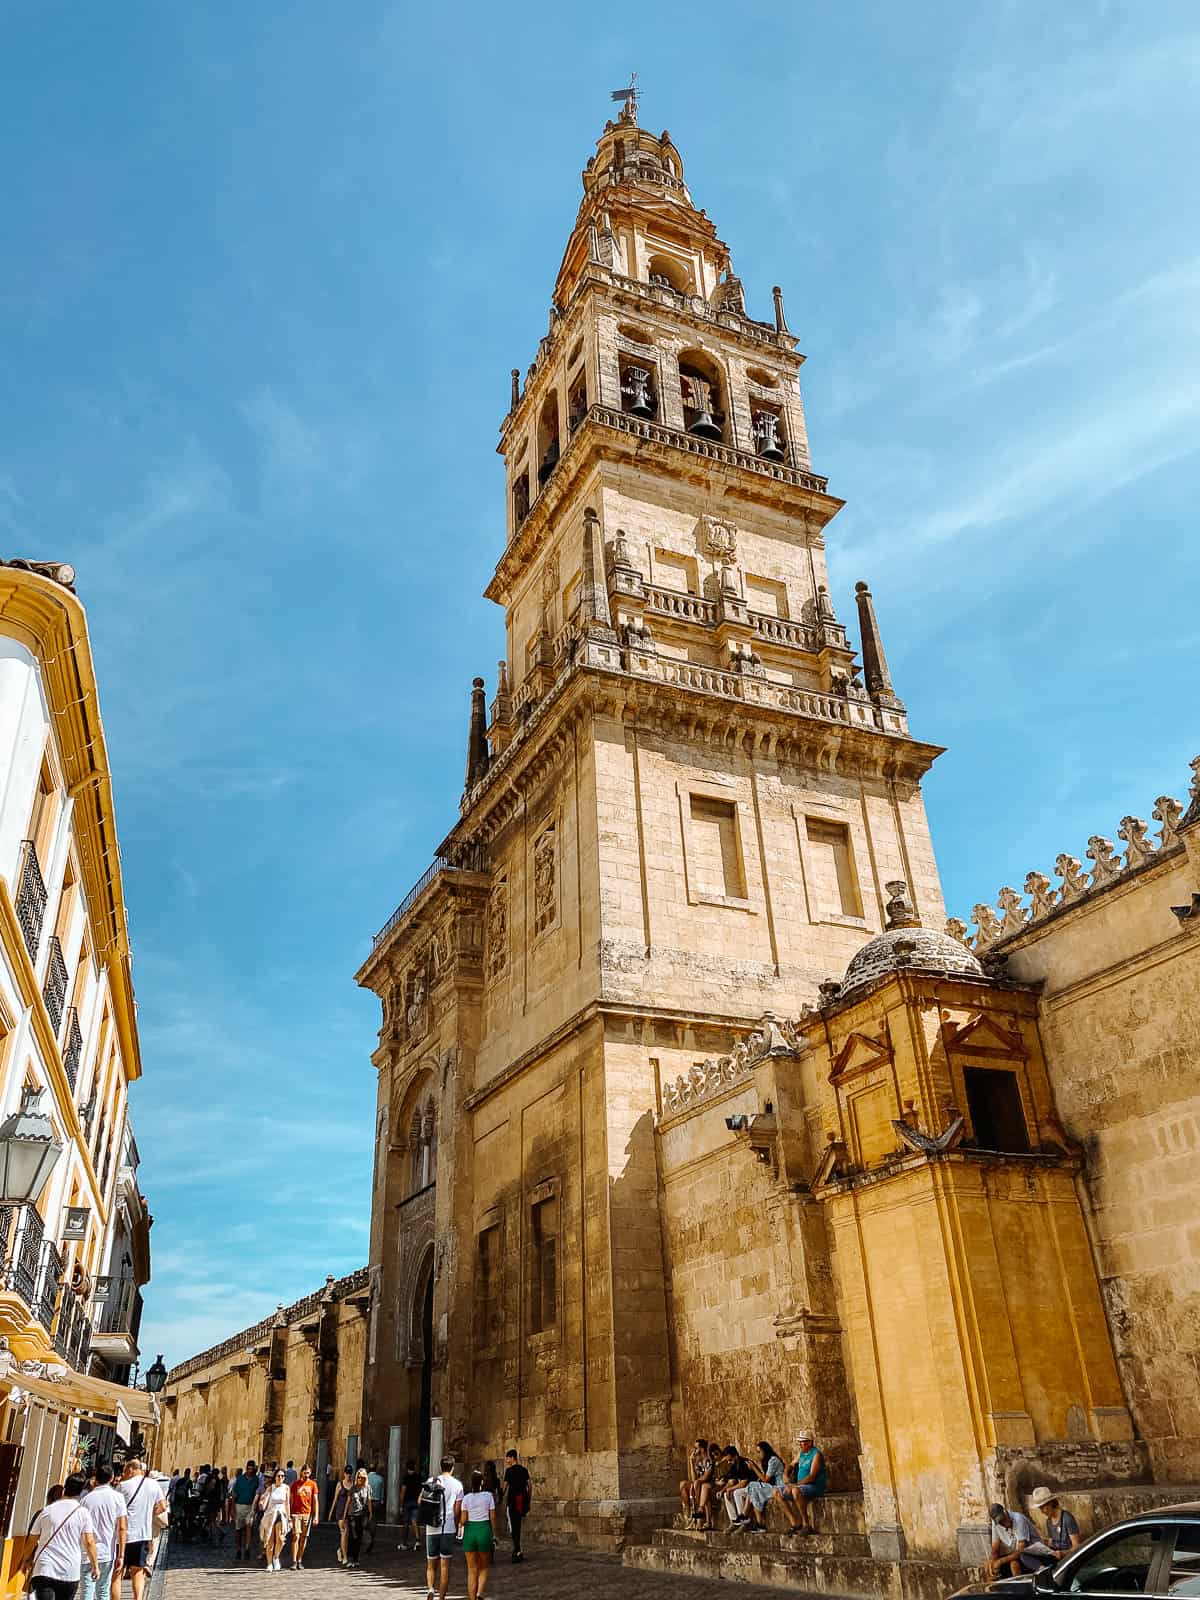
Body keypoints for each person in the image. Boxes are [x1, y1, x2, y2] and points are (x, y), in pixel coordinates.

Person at [30, 1473, 99, 1600]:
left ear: (64, 1489)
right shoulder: (83, 1513)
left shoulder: (47, 1510)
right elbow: (89, 1542)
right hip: (69, 1570)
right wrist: (95, 1566)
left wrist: (25, 1560)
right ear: (81, 1492)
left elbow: (32, 1539)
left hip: (45, 1568)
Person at [119, 1457, 168, 1600]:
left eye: (125, 1472)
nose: (124, 1475)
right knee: (138, 1572)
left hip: (122, 1535)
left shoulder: (122, 1486)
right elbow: (163, 1506)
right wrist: (149, 1514)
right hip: (142, 1535)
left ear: (130, 1470)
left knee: (117, 1573)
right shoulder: (153, 1484)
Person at [80, 1463, 127, 1600]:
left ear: (96, 1478)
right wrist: (121, 1554)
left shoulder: (86, 1499)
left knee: (86, 1591)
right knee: (103, 1591)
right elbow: (122, 1528)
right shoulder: (118, 1498)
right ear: (111, 1478)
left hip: (87, 1552)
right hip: (107, 1552)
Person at [424, 1455, 464, 1600]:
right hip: (448, 1527)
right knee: (445, 1567)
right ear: (452, 1467)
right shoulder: (457, 1485)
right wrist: (458, 1525)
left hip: (431, 1527)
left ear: (441, 1467)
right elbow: (457, 1510)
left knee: (431, 1564)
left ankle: (430, 1589)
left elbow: (420, 1500)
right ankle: (441, 1598)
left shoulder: (431, 1481)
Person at [988, 1502, 1056, 1576]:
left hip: (1035, 1553)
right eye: (1000, 1522)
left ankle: (1043, 1571)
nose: (1003, 1523)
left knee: (1015, 1563)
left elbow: (1020, 1551)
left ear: (1005, 1511)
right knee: (991, 1568)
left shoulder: (1018, 1519)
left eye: (1003, 1519)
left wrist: (1000, 1561)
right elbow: (995, 1549)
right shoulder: (996, 1524)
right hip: (1019, 1554)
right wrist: (993, 1564)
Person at [780, 1430, 827, 1536]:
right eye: (800, 1442)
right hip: (801, 1486)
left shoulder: (816, 1454)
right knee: (776, 1492)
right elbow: (791, 1465)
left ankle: (806, 1524)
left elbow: (812, 1477)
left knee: (795, 1491)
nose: (800, 1444)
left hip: (814, 1486)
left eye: (802, 1442)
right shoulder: (801, 1453)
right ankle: (794, 1523)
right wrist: (785, 1474)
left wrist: (794, 1485)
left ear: (810, 1442)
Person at [459, 1469, 496, 1600]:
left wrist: (459, 1524)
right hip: (484, 1530)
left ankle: (472, 1598)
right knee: (484, 1567)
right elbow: (492, 1517)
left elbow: (463, 1520)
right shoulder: (488, 1496)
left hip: (470, 1532)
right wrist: (494, 1533)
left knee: (471, 1569)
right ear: (482, 1482)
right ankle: (479, 1593)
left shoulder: (466, 1498)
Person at [734, 1441, 788, 1533]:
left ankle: (746, 1515)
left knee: (752, 1486)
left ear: (765, 1451)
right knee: (753, 1489)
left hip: (778, 1487)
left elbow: (766, 1479)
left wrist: (754, 1468)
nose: (758, 1454)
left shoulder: (773, 1460)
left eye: (759, 1452)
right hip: (772, 1486)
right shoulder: (766, 1461)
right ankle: (759, 1525)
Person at [256, 1468, 291, 1572]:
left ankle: (276, 1557)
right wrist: (262, 1503)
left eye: (282, 1476)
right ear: (275, 1477)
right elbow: (264, 1499)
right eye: (278, 1476)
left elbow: (287, 1504)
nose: (280, 1478)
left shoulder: (286, 1488)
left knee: (280, 1538)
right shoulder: (270, 1488)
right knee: (270, 1540)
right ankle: (269, 1563)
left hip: (281, 1514)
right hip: (271, 1515)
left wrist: (289, 1518)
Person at [1031, 1487, 1082, 1555]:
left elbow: (1077, 1546)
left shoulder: (1067, 1518)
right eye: (1040, 1508)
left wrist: (1063, 1553)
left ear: (1050, 1503)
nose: (1042, 1512)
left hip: (1069, 1557)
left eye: (1043, 1508)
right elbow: (1052, 1543)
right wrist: (1043, 1542)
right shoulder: (1048, 1521)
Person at [501, 1448, 530, 1563]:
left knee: (513, 1526)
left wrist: (500, 1496)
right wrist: (528, 1499)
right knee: (518, 1525)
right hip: (522, 1501)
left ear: (512, 1458)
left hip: (513, 1501)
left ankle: (517, 1549)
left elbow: (505, 1486)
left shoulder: (509, 1471)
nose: (506, 1460)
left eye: (508, 1458)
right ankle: (517, 1549)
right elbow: (529, 1485)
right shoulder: (524, 1470)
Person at [288, 1464, 318, 1571]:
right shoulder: (295, 1484)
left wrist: (316, 1515)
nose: (306, 1475)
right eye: (305, 1473)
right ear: (301, 1472)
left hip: (307, 1514)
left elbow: (315, 1501)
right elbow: (291, 1500)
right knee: (296, 1536)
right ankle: (294, 1561)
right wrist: (289, 1514)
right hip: (296, 1513)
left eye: (308, 1473)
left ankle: (299, 1559)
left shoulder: (313, 1484)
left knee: (304, 1537)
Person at [344, 1467, 373, 1569]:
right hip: (352, 1515)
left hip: (362, 1515)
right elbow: (348, 1502)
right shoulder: (353, 1488)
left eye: (362, 1477)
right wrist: (344, 1516)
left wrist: (371, 1513)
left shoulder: (367, 1488)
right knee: (353, 1536)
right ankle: (350, 1558)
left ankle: (356, 1559)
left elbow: (369, 1501)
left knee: (359, 1537)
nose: (360, 1479)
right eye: (359, 1477)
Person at [230, 1463, 259, 1561]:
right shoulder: (240, 1479)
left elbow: (257, 1494)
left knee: (249, 1528)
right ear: (246, 1468)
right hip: (240, 1506)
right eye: (249, 1469)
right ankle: (238, 1549)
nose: (250, 1471)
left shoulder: (256, 1480)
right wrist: (232, 1509)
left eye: (252, 1469)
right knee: (238, 1529)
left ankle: (247, 1549)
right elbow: (234, 1494)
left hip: (251, 1506)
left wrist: (256, 1508)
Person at [331, 1466, 352, 1565]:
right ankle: (345, 1557)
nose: (348, 1475)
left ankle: (341, 1550)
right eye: (347, 1473)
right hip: (340, 1511)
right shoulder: (340, 1484)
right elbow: (335, 1499)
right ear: (344, 1473)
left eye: (350, 1473)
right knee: (344, 1531)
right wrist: (331, 1512)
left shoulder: (353, 1484)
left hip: (349, 1512)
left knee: (346, 1535)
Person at [400, 1457, 422, 1551]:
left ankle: (404, 1543)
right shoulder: (418, 1477)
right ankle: (417, 1541)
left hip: (407, 1502)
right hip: (415, 1501)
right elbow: (421, 1490)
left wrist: (401, 1505)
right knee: (414, 1521)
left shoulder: (406, 1477)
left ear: (407, 1467)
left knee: (405, 1522)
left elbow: (403, 1491)